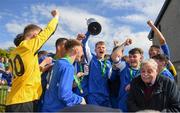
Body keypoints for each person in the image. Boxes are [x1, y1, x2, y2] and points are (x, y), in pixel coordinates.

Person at [5, 9, 59, 112]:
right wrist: (56, 16)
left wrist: (42, 67)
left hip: (13, 100)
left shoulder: (14, 52)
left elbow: (26, 74)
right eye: (39, 35)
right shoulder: (29, 46)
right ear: (35, 36)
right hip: (24, 101)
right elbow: (49, 31)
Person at [41, 39, 86, 112]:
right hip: (56, 109)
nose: (82, 54)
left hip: (47, 107)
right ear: (76, 50)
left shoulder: (58, 63)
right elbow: (64, 94)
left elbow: (57, 85)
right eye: (81, 51)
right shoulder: (68, 66)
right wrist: (80, 100)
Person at [77, 33, 112, 107]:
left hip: (105, 96)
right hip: (93, 95)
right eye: (99, 48)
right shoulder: (91, 59)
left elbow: (111, 77)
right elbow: (85, 45)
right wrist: (89, 32)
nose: (101, 49)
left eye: (103, 47)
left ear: (105, 50)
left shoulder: (108, 63)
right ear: (95, 50)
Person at [111, 39, 143, 111]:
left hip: (138, 103)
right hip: (123, 103)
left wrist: (133, 84)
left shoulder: (144, 70)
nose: (132, 59)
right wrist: (124, 44)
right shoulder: (124, 66)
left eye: (134, 56)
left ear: (140, 58)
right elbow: (113, 57)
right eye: (130, 56)